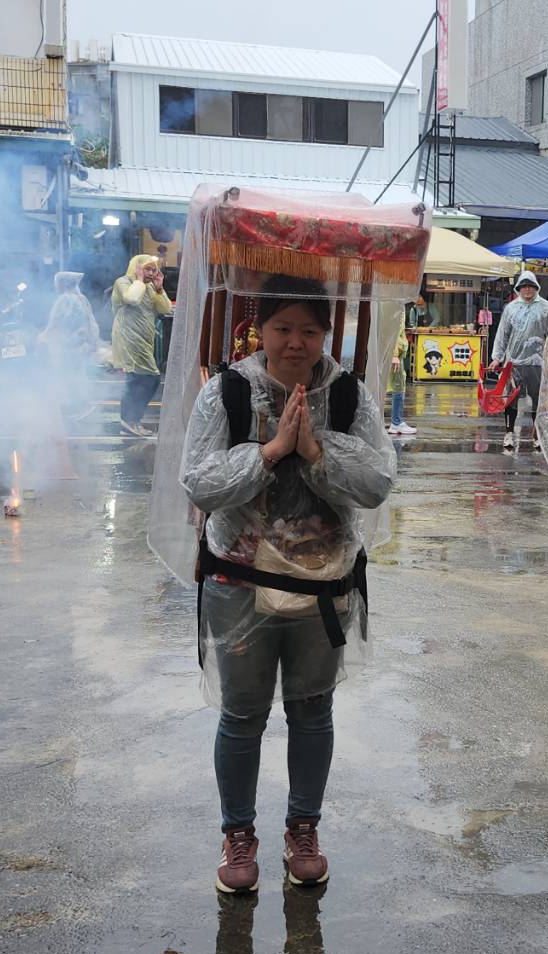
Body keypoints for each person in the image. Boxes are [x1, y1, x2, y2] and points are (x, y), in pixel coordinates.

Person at [180, 274, 395, 896]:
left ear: (328, 333)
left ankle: (304, 828)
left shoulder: (349, 395)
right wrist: (271, 452)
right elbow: (198, 483)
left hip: (324, 588)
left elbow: (378, 480)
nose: (295, 342)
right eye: (282, 329)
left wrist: (319, 450)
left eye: (309, 330)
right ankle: (237, 835)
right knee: (242, 716)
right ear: (260, 330)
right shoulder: (227, 392)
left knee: (311, 712)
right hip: (239, 583)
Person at [112, 254, 172, 437]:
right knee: (148, 379)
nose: (152, 273)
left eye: (154, 270)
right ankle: (130, 420)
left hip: (143, 340)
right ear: (136, 268)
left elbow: (165, 309)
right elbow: (132, 299)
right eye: (148, 269)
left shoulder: (149, 286)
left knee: (136, 380)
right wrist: (138, 280)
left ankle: (129, 421)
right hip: (129, 339)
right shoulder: (124, 282)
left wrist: (160, 289)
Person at [488, 270, 548, 450]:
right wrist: (496, 358)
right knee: (510, 399)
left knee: (538, 399)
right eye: (524, 286)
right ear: (519, 289)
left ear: (536, 287)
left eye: (531, 286)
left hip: (537, 362)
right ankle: (508, 433)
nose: (528, 290)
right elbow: (502, 335)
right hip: (513, 363)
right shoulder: (511, 308)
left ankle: (536, 435)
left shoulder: (546, 308)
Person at [37, 272, 101, 421]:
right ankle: (76, 407)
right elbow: (91, 323)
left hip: (69, 346)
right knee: (76, 375)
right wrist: (93, 342)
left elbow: (55, 322)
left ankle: (79, 407)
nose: (55, 285)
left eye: (57, 282)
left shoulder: (64, 300)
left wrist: (44, 337)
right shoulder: (82, 298)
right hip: (80, 345)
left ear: (63, 284)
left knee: (68, 377)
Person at [387, 329, 416, 435]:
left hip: (398, 353)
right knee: (398, 385)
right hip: (395, 354)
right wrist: (394, 355)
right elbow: (392, 330)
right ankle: (396, 422)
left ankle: (397, 421)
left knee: (400, 384)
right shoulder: (397, 312)